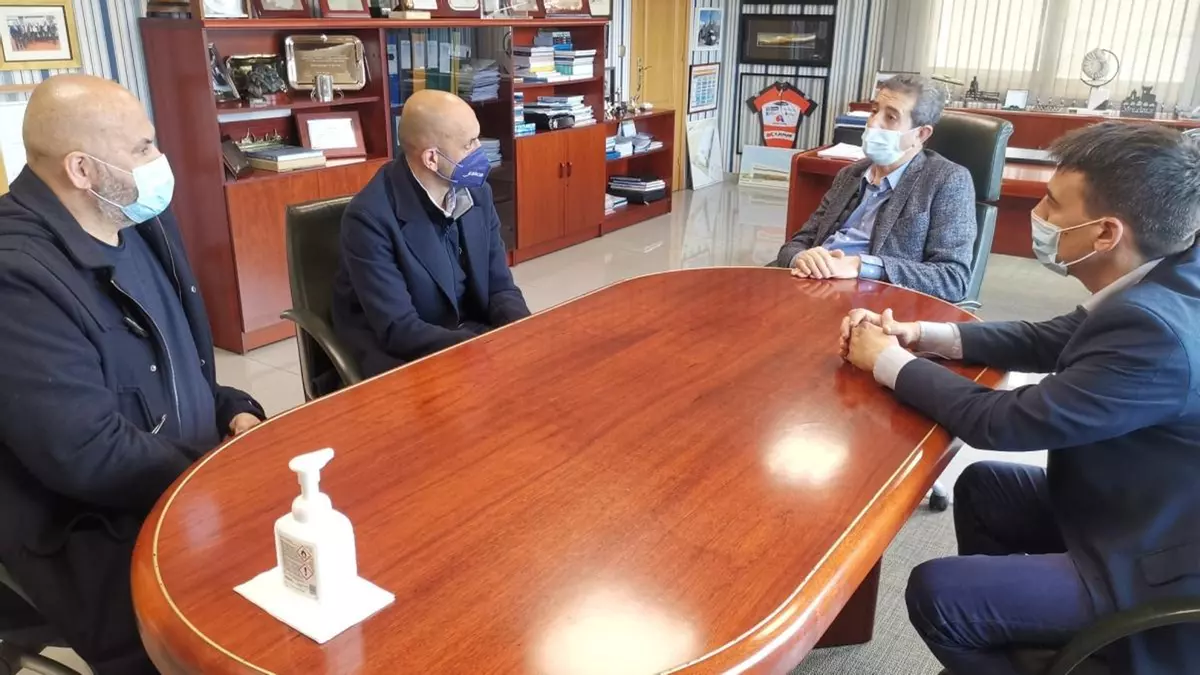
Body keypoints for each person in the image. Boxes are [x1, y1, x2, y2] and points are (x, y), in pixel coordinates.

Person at [840, 122, 1200, 674]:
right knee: (986, 488)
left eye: (1053, 203)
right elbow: (1052, 338)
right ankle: (1023, 637)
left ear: (1106, 233)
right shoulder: (1167, 272)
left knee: (941, 595)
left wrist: (888, 362)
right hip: (1136, 504)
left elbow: (1003, 423)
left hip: (1153, 564)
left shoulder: (1156, 331)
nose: (1039, 212)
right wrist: (923, 336)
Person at [0, 75, 264, 674]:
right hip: (87, 526)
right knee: (224, 641)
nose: (159, 161)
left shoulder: (136, 220)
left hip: (179, 479)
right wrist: (216, 477)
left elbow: (178, 368)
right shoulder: (17, 276)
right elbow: (86, 453)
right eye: (143, 148)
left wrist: (228, 408)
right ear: (81, 169)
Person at [332, 89, 530, 378]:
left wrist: (524, 332)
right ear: (432, 159)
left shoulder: (478, 194)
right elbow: (399, 329)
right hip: (406, 354)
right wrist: (482, 351)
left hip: (468, 336)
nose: (480, 151)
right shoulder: (369, 218)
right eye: (469, 144)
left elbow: (500, 287)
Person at [775, 74, 977, 303]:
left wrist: (861, 265)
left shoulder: (947, 180)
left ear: (920, 134)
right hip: (812, 287)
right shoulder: (850, 174)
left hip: (872, 302)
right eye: (874, 111)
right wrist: (801, 257)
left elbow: (953, 279)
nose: (873, 123)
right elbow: (796, 243)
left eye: (891, 117)